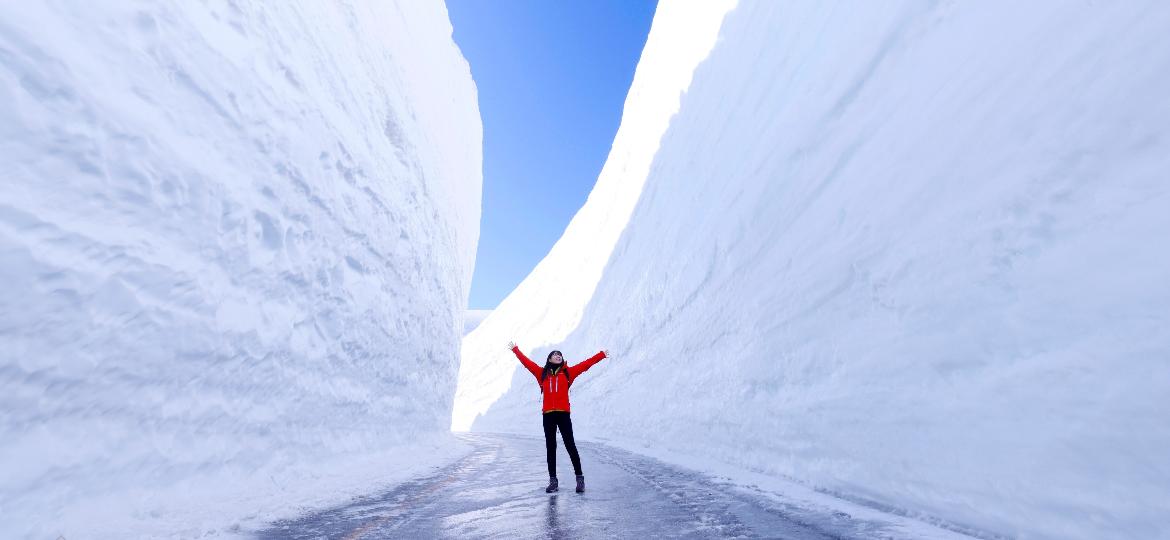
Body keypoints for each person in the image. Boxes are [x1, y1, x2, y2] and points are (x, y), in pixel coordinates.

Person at [507, 341, 609, 493]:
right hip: (548, 415)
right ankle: (553, 481)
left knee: (570, 445)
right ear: (549, 359)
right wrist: (516, 350)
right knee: (551, 447)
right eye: (555, 354)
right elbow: (527, 363)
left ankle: (579, 478)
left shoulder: (568, 372)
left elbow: (585, 365)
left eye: (560, 354)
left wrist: (601, 355)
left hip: (563, 414)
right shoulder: (541, 373)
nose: (558, 356)